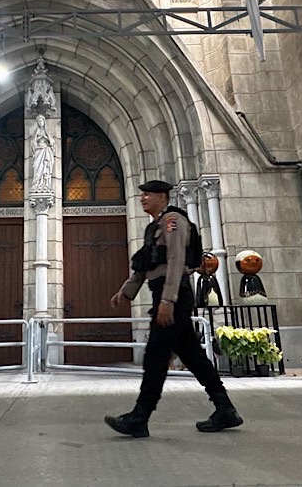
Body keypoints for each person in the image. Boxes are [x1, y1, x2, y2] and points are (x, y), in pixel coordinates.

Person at [104, 180, 242, 438]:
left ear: (162, 196)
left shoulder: (173, 221)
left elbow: (176, 260)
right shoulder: (153, 227)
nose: (143, 198)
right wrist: (125, 291)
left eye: (148, 194)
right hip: (165, 293)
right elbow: (146, 265)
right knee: (192, 356)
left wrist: (168, 301)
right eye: (141, 194)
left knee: (155, 356)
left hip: (174, 294)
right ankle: (225, 408)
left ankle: (140, 416)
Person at [31, 114, 54, 191]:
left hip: (45, 150)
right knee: (37, 166)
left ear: (44, 122)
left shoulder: (46, 131)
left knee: (45, 166)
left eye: (42, 121)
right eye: (39, 121)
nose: (41, 123)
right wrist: (40, 137)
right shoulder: (36, 131)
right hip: (38, 150)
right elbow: (33, 142)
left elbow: (52, 142)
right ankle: (37, 183)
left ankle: (45, 183)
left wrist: (46, 137)